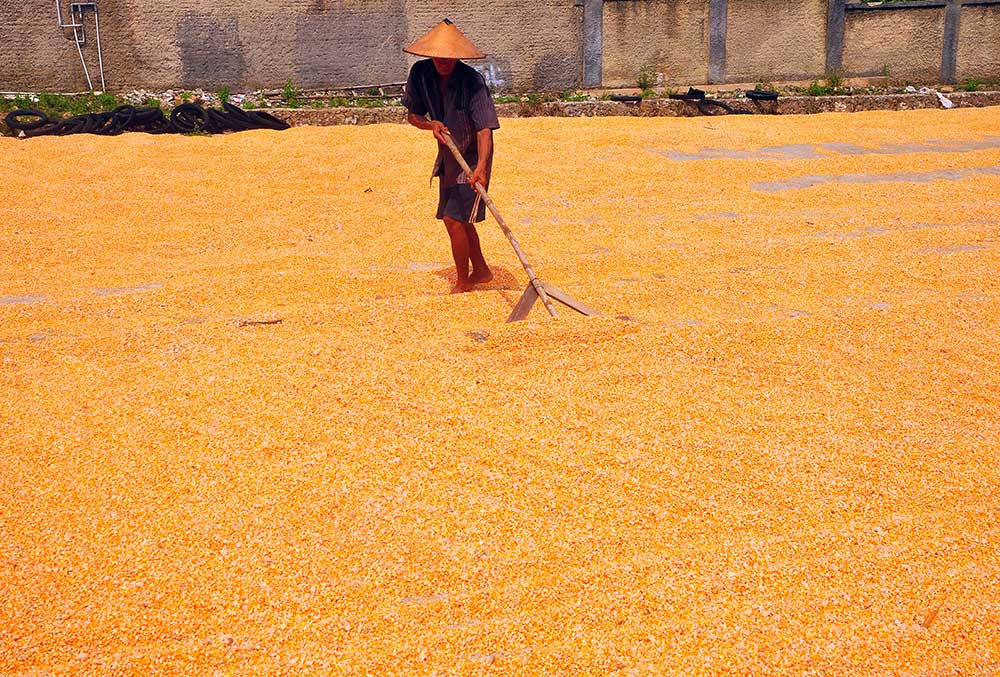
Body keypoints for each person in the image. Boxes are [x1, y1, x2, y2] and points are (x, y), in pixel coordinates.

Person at [402, 19, 500, 293]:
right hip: (448, 155)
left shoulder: (472, 82)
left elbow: (484, 131)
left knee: (453, 219)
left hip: (472, 156)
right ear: (430, 54)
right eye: (439, 56)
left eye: (449, 57)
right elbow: (413, 115)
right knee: (457, 215)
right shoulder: (421, 74)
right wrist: (430, 125)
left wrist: (481, 167)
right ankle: (481, 270)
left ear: (457, 56)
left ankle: (463, 282)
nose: (443, 61)